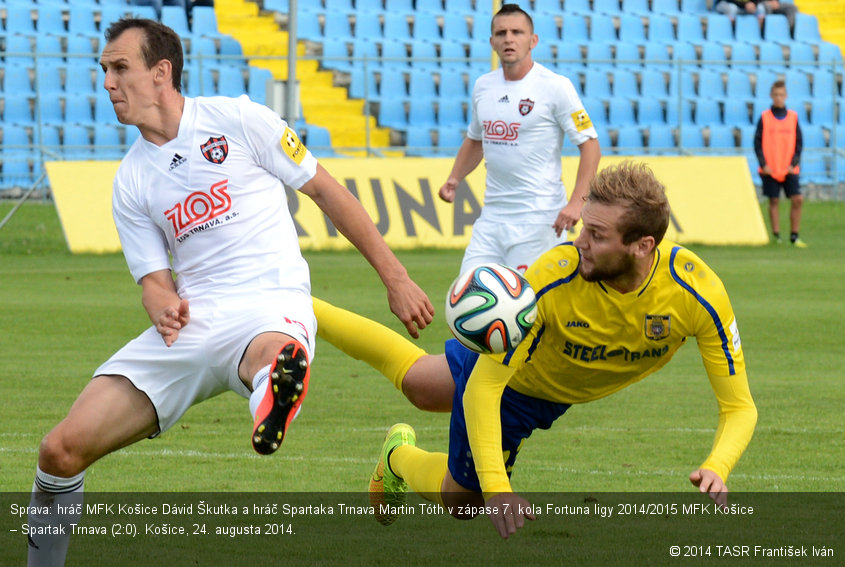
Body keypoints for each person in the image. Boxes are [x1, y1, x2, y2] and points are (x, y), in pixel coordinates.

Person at [26, 18, 434, 567]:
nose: (107, 82)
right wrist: (162, 305)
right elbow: (153, 281)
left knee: (273, 354)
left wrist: (396, 276)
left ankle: (275, 393)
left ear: (160, 73)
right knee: (60, 450)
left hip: (272, 299)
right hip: (196, 322)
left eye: (120, 68)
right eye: (104, 70)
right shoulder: (130, 179)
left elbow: (325, 190)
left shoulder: (239, 119)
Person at [314, 161, 758, 538]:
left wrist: (719, 464)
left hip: (551, 388)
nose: (580, 241)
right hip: (513, 385)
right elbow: (485, 389)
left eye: (598, 235)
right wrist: (497, 487)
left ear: (643, 246)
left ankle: (390, 445)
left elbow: (740, 407)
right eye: (584, 226)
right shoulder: (553, 277)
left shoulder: (696, 293)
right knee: (463, 501)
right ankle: (301, 313)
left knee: (420, 387)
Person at [438, 3, 600, 275]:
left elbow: (591, 147)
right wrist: (454, 179)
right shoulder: (483, 86)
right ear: (492, 42)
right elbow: (476, 139)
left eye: (517, 32)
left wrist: (577, 202)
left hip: (539, 218)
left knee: (530, 305)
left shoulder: (555, 86)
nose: (509, 38)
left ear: (533, 40)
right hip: (492, 217)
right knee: (467, 294)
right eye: (501, 33)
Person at [754, 80, 806, 247]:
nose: (778, 97)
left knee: (797, 199)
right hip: (770, 168)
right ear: (771, 96)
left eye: (781, 94)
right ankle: (777, 236)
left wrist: (794, 163)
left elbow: (799, 143)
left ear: (786, 96)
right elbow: (757, 142)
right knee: (774, 201)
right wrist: (764, 164)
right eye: (776, 94)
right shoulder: (764, 117)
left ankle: (794, 235)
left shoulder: (793, 117)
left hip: (789, 168)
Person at [714, 0, 798, 28]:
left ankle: (787, 31)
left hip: (748, 5)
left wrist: (754, 4)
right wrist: (745, 5)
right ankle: (732, 31)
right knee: (732, 9)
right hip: (728, 4)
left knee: (792, 8)